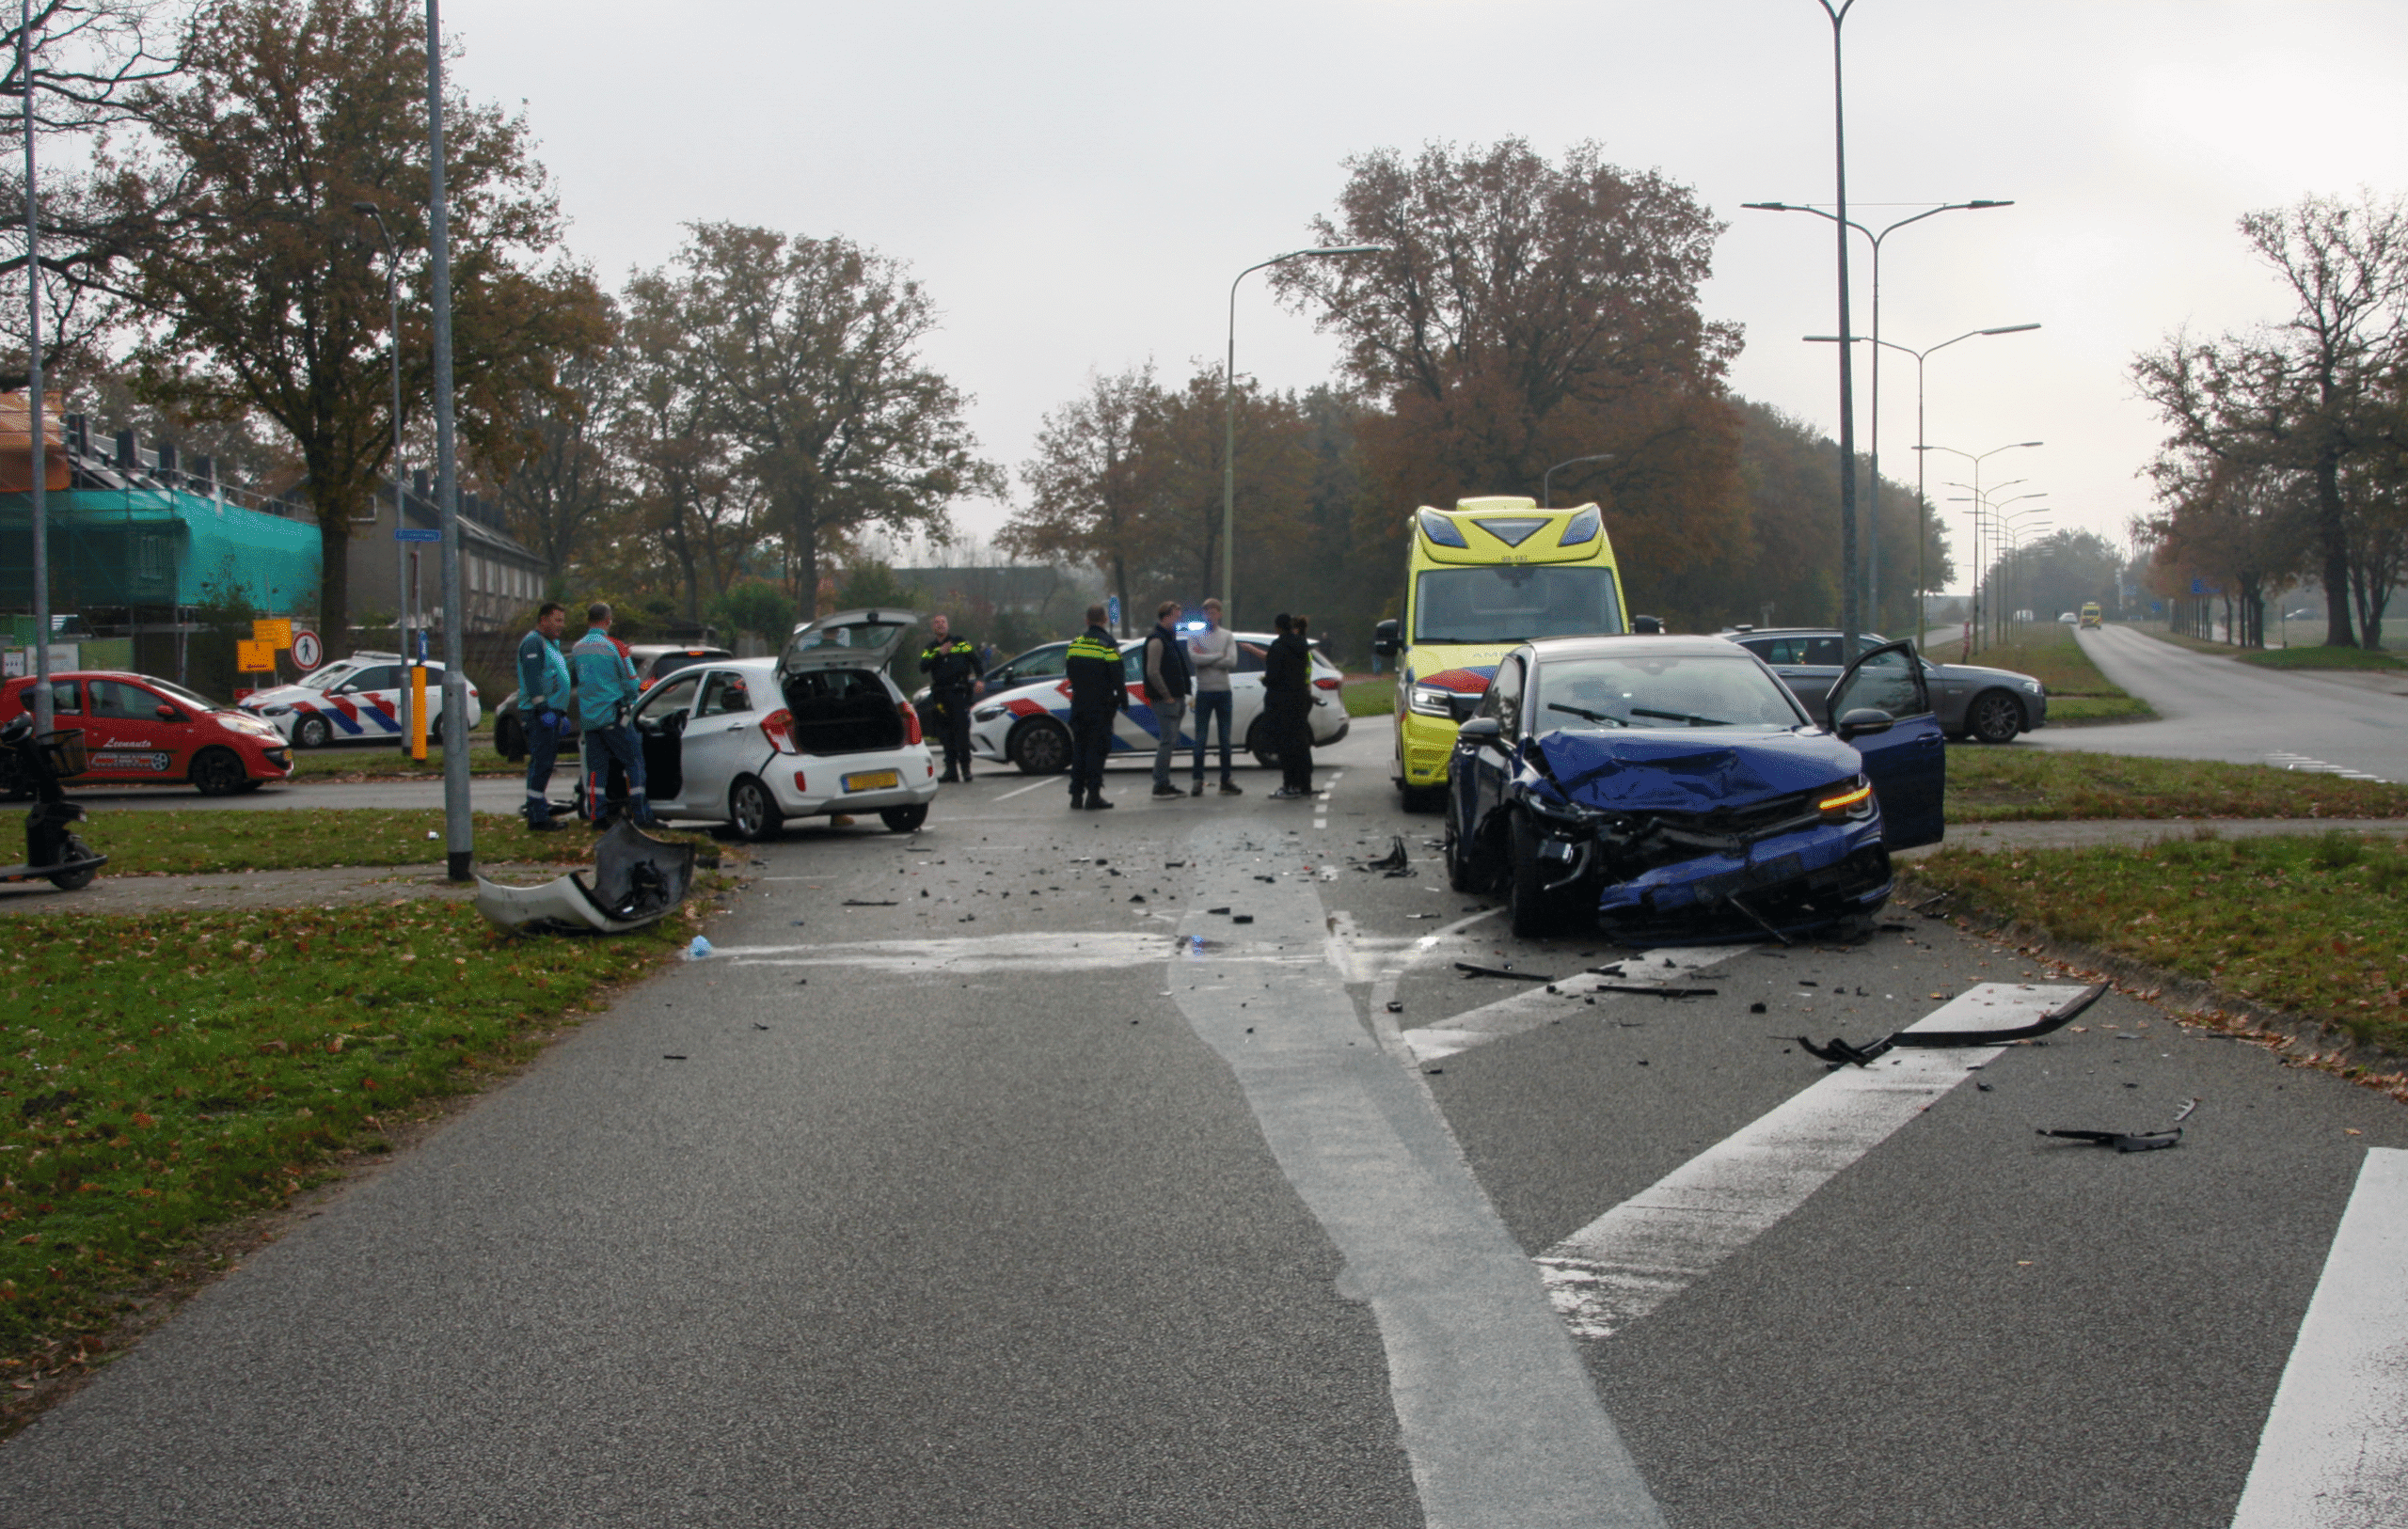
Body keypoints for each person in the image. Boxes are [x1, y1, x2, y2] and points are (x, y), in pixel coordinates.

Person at [571, 602, 653, 828]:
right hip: (613, 716)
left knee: (596, 770)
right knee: (634, 764)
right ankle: (642, 816)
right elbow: (631, 682)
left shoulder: (578, 648)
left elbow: (578, 679)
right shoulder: (616, 646)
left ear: (589, 621)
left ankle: (597, 816)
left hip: (590, 719)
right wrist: (629, 700)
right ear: (608, 620)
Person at [515, 601, 574, 830]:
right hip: (540, 713)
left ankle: (538, 809)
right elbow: (532, 677)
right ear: (543, 620)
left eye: (562, 620)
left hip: (551, 712)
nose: (561, 625)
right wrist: (543, 708)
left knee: (545, 763)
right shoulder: (533, 643)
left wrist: (562, 711)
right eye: (556, 620)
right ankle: (537, 816)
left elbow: (555, 677)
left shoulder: (551, 644)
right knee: (541, 763)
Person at [1064, 603, 1127, 811]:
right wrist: (1124, 700)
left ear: (1086, 621)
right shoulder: (1107, 644)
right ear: (1105, 620)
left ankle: (1075, 796)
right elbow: (1118, 676)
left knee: (1079, 750)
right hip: (1101, 706)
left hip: (1080, 704)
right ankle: (1093, 795)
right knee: (1096, 751)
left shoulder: (1075, 644)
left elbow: (1070, 673)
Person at [919, 613, 985, 783]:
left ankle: (966, 769)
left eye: (943, 622)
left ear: (948, 625)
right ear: (933, 627)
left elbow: (976, 661)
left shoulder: (960, 643)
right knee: (945, 734)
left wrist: (980, 679)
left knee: (961, 733)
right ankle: (951, 770)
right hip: (941, 695)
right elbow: (923, 667)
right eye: (936, 623)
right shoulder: (930, 648)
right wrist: (938, 654)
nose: (940, 625)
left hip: (958, 692)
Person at [1186, 597, 1241, 796]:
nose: (1210, 615)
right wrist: (1219, 655)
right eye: (1207, 612)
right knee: (1200, 738)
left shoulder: (1227, 635)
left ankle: (1226, 779)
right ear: (1203, 615)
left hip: (1223, 691)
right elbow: (1194, 658)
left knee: (1224, 739)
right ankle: (1197, 780)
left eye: (1214, 612)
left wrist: (1208, 658)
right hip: (1205, 691)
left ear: (1220, 614)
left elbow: (1232, 661)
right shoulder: (1196, 635)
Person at [1140, 600, 1193, 799]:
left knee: (1170, 742)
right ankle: (1160, 784)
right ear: (1167, 616)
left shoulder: (1167, 638)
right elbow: (1153, 671)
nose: (1178, 622)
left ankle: (1164, 782)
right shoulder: (1158, 640)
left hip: (1174, 698)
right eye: (1176, 618)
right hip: (1167, 700)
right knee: (1167, 741)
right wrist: (1167, 695)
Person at [1262, 612, 1315, 798]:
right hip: (1300, 698)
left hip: (1282, 701)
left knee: (1285, 745)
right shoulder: (1302, 645)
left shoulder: (1278, 647)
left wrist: (1266, 681)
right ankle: (1305, 784)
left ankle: (1290, 784)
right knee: (1300, 742)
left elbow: (1273, 676)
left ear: (1277, 628)